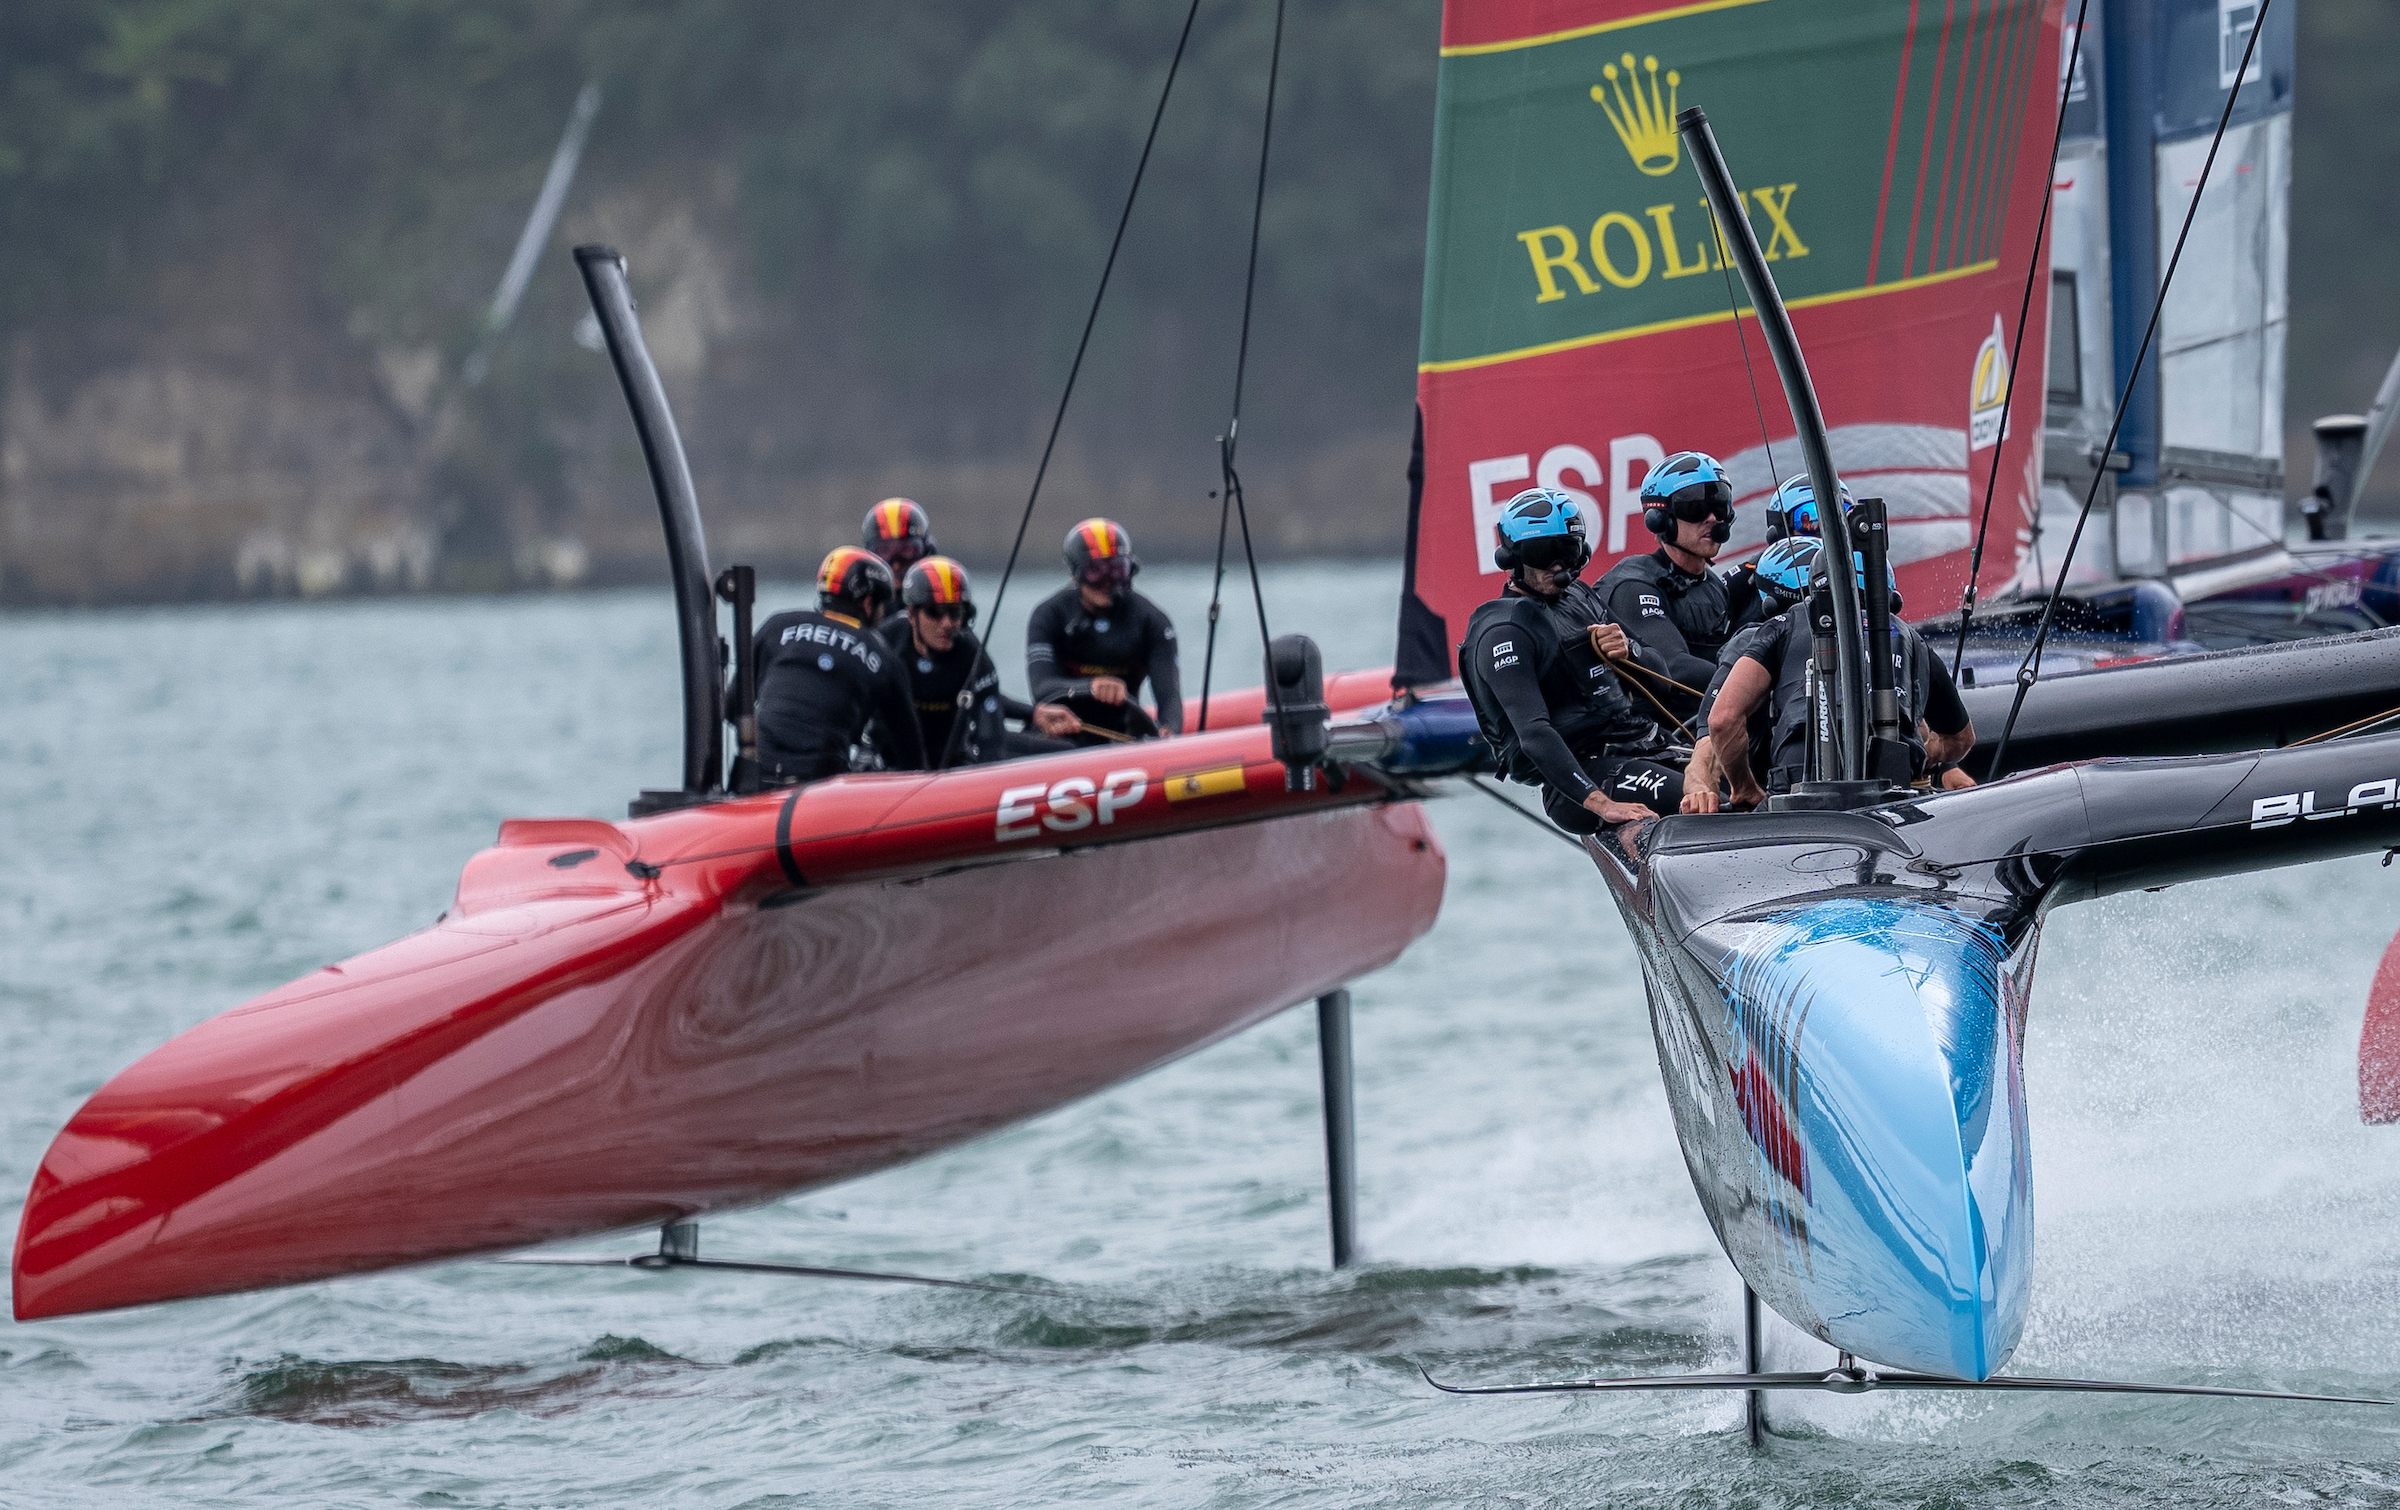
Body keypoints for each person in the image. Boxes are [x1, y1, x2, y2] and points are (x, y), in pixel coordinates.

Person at [1683, 540, 1975, 813]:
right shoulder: (1914, 640)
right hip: (1895, 797)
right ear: (1891, 596)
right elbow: (1961, 739)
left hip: (1798, 793)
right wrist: (1929, 756)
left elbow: (1721, 720)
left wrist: (1744, 788)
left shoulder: (1782, 625)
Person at [1459, 487, 1686, 832]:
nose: (1557, 564)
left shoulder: (1579, 596)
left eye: (1567, 549)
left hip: (1645, 745)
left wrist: (1629, 652)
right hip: (1583, 778)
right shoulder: (1504, 631)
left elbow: (1661, 678)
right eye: (1542, 551)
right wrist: (1603, 805)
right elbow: (1533, 734)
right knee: (1705, 800)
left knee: (1743, 788)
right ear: (1512, 558)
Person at [1592, 451, 1746, 729]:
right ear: (1660, 519)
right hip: (1659, 738)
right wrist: (1756, 680)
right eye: (1694, 508)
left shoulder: (1711, 585)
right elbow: (1674, 668)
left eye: (1720, 505)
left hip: (1711, 725)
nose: (1712, 518)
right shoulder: (1634, 585)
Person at [878, 556, 1081, 765]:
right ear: (912, 615)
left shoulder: (971, 653)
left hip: (951, 760)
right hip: (889, 760)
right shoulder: (886, 643)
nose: (947, 623)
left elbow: (991, 734)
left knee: (1070, 752)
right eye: (934, 612)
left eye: (955, 612)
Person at [751, 546, 926, 783]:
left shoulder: (776, 626)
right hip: (820, 791)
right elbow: (912, 758)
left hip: (755, 780)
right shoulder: (883, 655)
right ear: (868, 603)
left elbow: (733, 708)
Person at [1026, 518, 1183, 742]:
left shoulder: (1152, 621)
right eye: (1096, 572)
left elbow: (1169, 697)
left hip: (1123, 733)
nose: (1108, 582)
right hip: (1061, 734)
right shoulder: (1049, 615)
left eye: (1117, 570)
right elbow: (1042, 688)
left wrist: (1169, 730)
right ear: (1075, 574)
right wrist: (1092, 687)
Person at [861, 498, 938, 621]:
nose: (896, 565)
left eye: (906, 550)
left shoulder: (943, 608)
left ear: (926, 552)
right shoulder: (861, 606)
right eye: (885, 551)